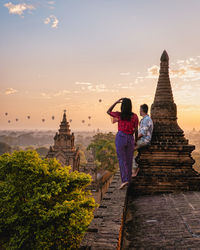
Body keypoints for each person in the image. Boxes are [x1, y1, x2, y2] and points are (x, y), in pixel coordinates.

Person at [107, 98, 139, 189]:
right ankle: (128, 181)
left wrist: (116, 102)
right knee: (129, 160)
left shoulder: (119, 115)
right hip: (130, 138)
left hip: (121, 137)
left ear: (122, 105)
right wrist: (135, 140)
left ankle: (124, 180)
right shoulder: (135, 116)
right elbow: (136, 130)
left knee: (122, 160)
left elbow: (108, 111)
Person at [132, 104, 153, 176]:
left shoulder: (146, 119)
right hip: (144, 139)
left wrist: (135, 140)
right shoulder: (145, 119)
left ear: (142, 110)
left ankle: (135, 168)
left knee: (129, 150)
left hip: (145, 140)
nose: (139, 111)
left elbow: (142, 133)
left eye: (140, 109)